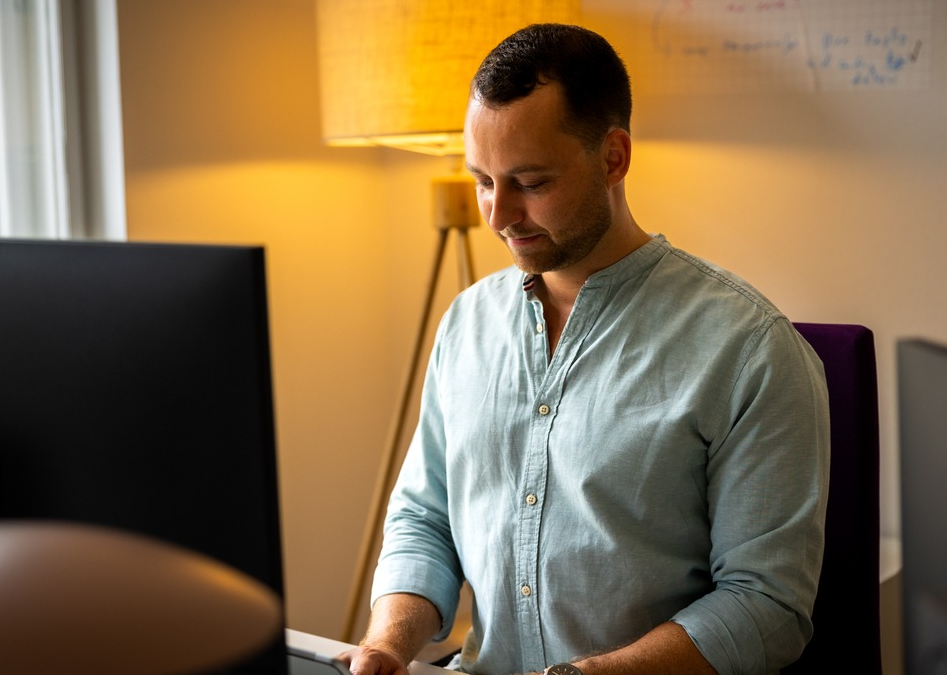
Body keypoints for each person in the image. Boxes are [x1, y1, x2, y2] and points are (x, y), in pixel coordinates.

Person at [340, 23, 830, 675]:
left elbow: (766, 605)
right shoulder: (466, 323)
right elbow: (424, 519)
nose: (498, 214)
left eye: (530, 182)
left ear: (613, 158)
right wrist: (388, 644)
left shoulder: (750, 349)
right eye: (483, 180)